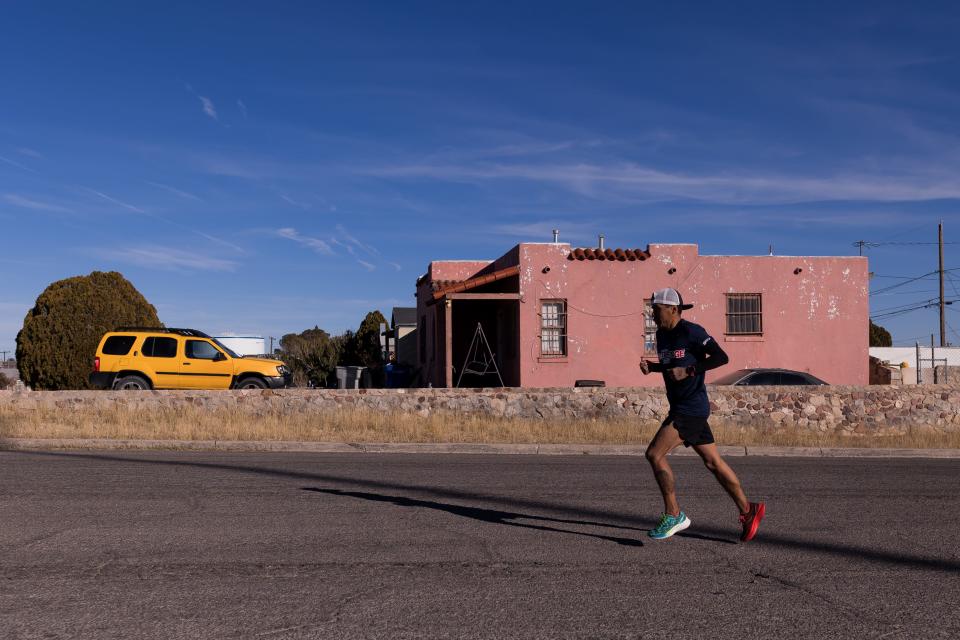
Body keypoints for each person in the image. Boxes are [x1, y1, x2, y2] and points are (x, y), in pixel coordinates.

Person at [639, 288, 765, 542]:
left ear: (673, 309)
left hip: (692, 408)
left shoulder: (692, 332)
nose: (652, 315)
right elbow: (670, 363)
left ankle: (674, 514)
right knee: (713, 463)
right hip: (680, 407)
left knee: (654, 453)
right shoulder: (661, 336)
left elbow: (721, 357)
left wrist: (691, 371)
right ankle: (748, 510)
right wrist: (653, 367)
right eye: (651, 309)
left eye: (656, 310)